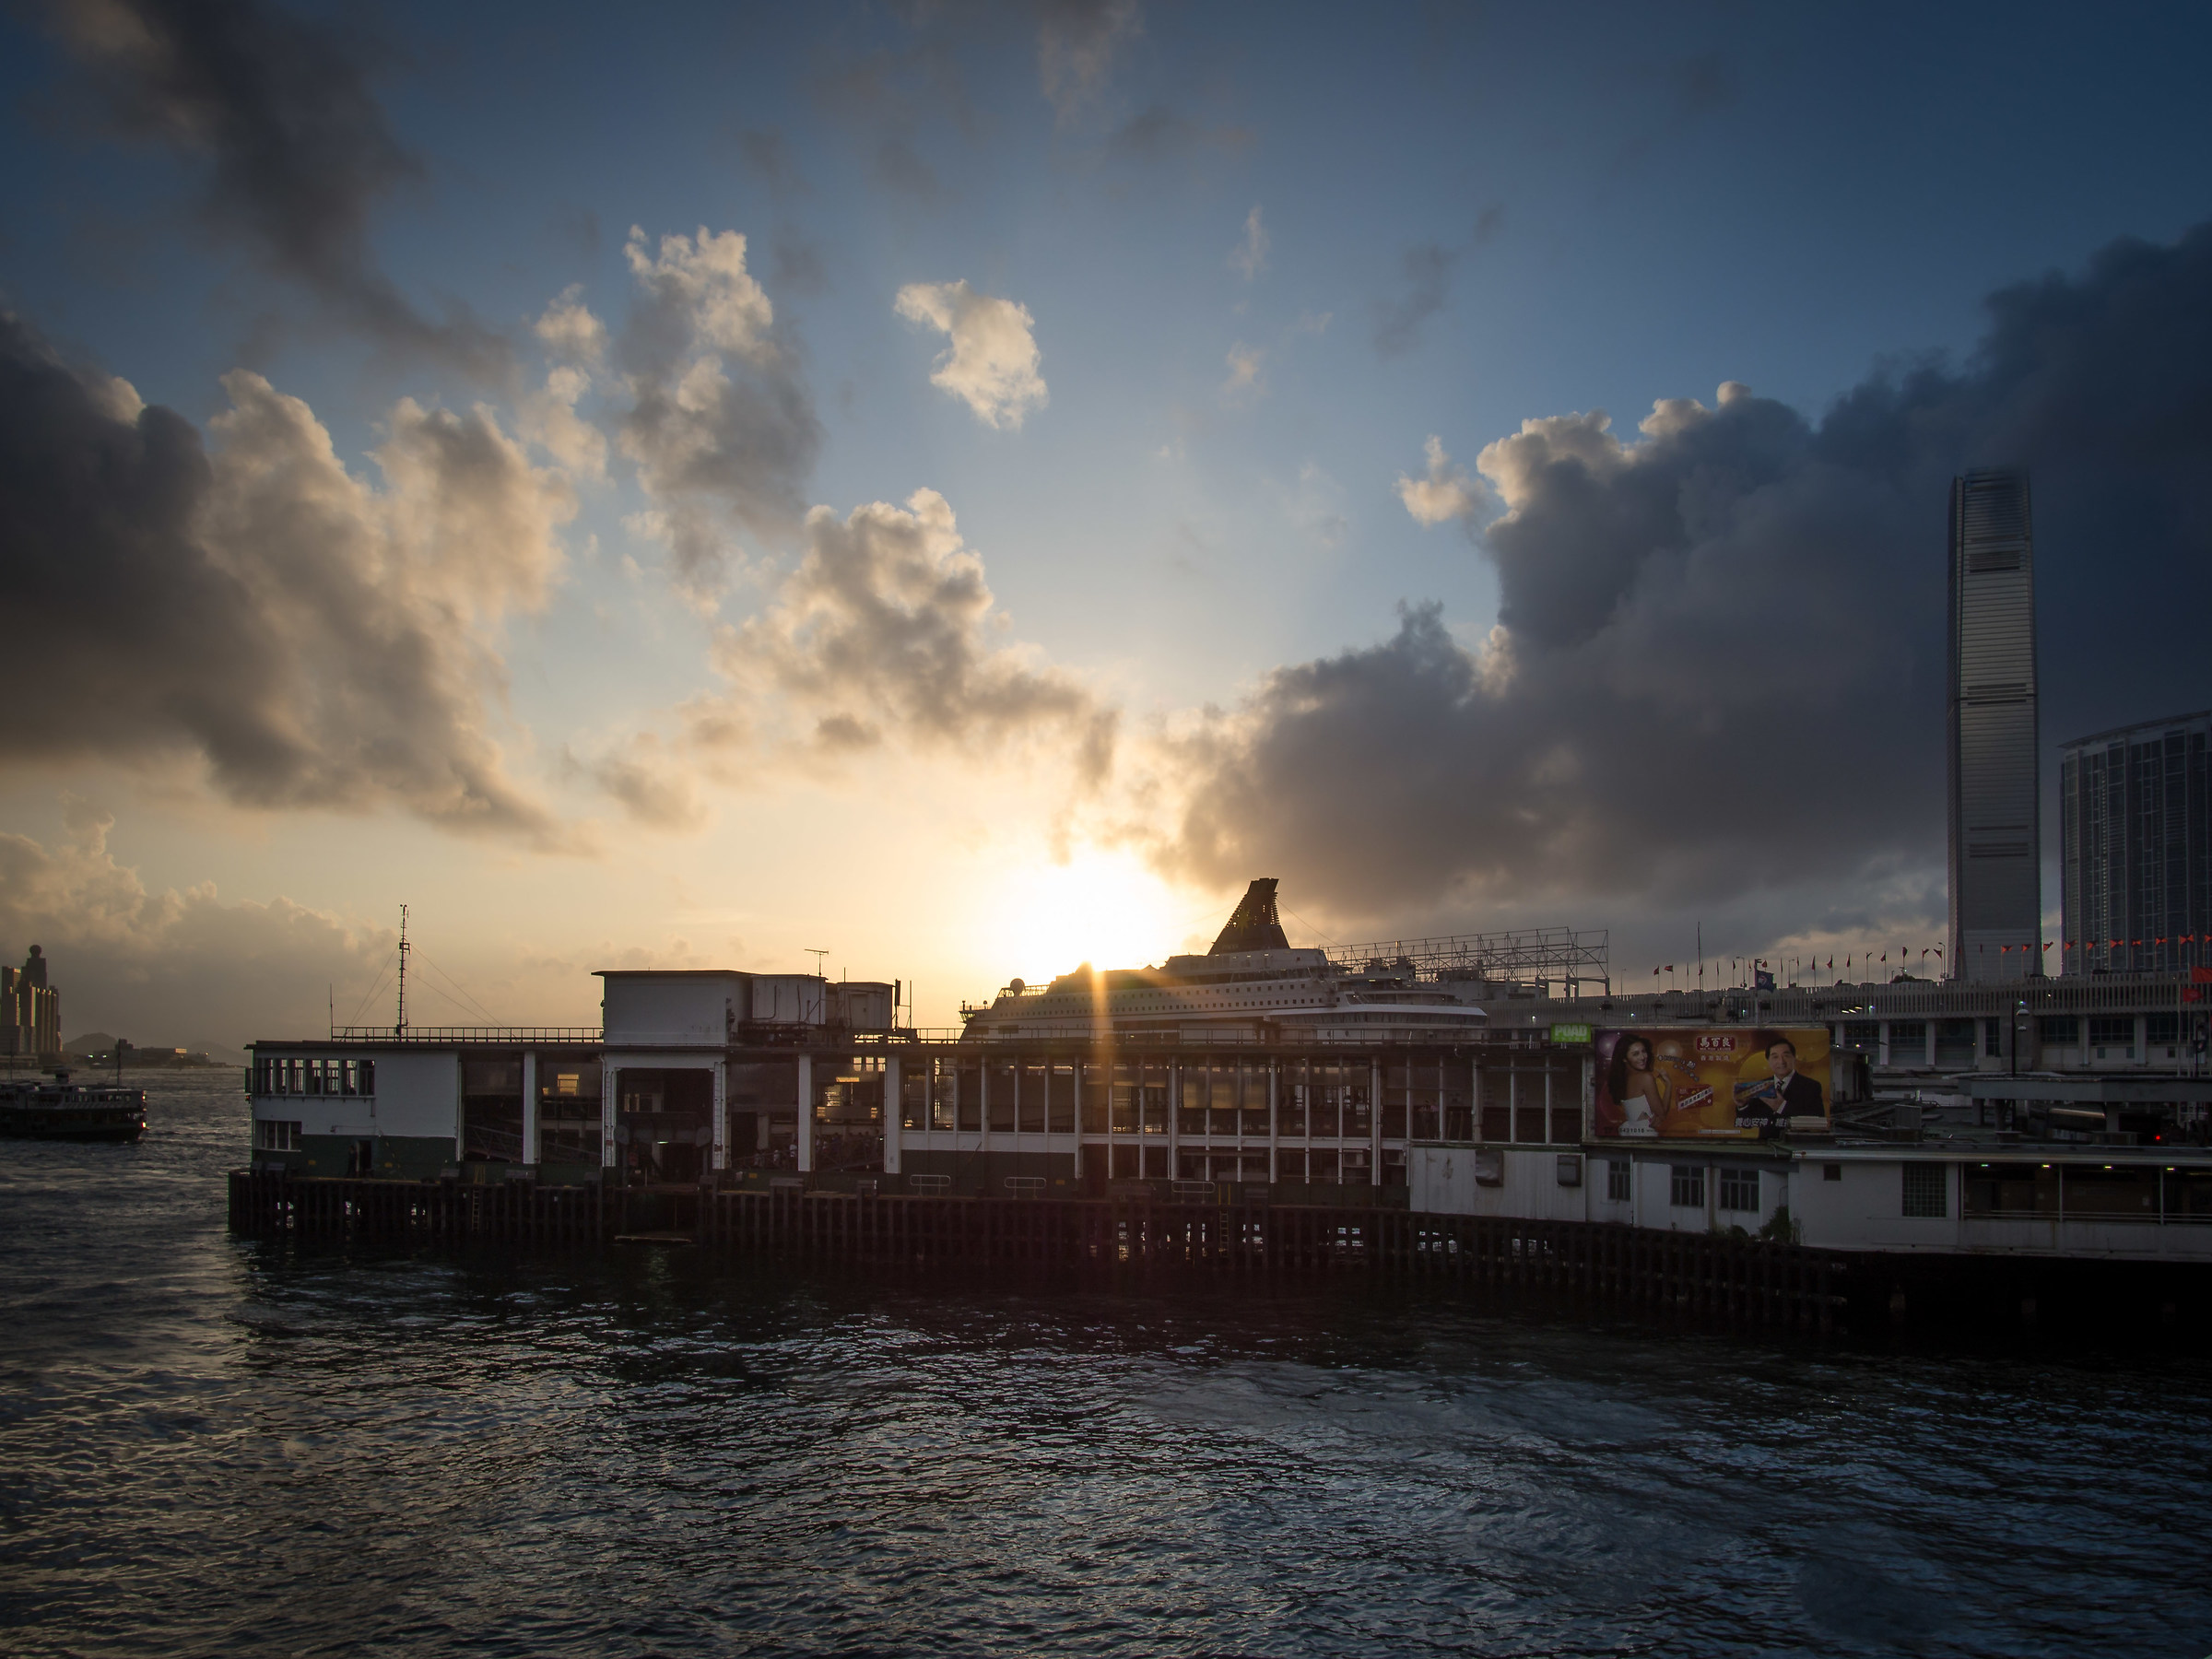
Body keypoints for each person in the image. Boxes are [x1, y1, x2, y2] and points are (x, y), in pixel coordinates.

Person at [1739, 1033, 1824, 1126]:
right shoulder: (1761, 1086)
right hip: (1765, 1140)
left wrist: (1782, 1106)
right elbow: (1746, 1123)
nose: (1781, 1062)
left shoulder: (1811, 1086)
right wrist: (1743, 1105)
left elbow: (1818, 1122)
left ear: (1794, 1058)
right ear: (1768, 1061)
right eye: (1775, 1057)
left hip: (1795, 1140)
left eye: (1786, 1056)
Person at [1605, 1034, 1667, 1136]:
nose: (1642, 1057)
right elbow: (1662, 1114)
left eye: (1644, 1051)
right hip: (1645, 1135)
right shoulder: (1645, 1077)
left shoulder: (1622, 1079)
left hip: (1628, 1132)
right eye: (1635, 1054)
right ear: (1624, 1059)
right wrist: (1669, 1086)